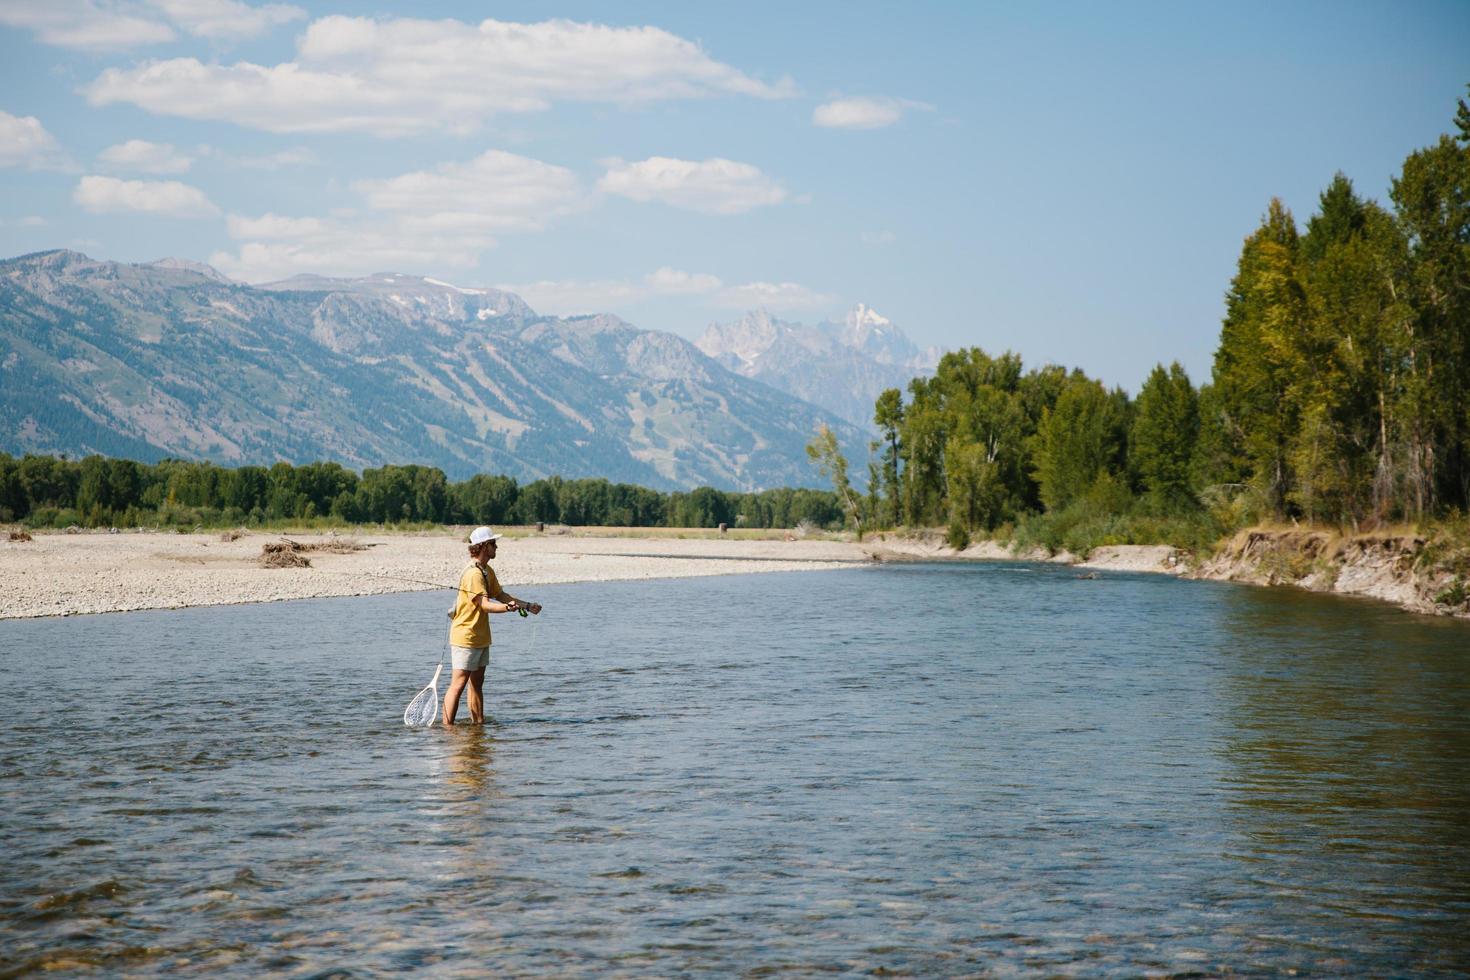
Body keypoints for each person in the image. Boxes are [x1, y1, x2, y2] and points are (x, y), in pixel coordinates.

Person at [444, 525, 542, 726]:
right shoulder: (473, 574)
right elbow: (485, 605)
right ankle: (448, 729)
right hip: (466, 636)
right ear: (483, 546)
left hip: (481, 636)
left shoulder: (487, 570)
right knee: (459, 684)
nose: (496, 547)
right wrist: (507, 608)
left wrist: (527, 605)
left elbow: (500, 595)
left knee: (476, 683)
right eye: (493, 544)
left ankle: (478, 725)